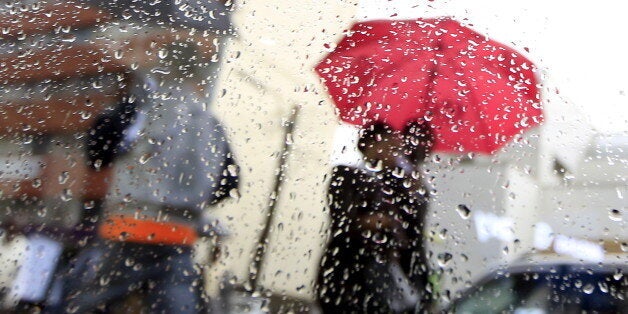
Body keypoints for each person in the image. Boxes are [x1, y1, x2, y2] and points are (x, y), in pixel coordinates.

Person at [317, 121, 434, 313]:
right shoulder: (347, 174)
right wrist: (377, 221)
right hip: (346, 274)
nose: (395, 152)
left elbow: (414, 233)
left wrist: (415, 189)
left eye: (397, 148)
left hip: (386, 277)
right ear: (370, 146)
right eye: (389, 146)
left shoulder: (400, 184)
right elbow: (343, 219)